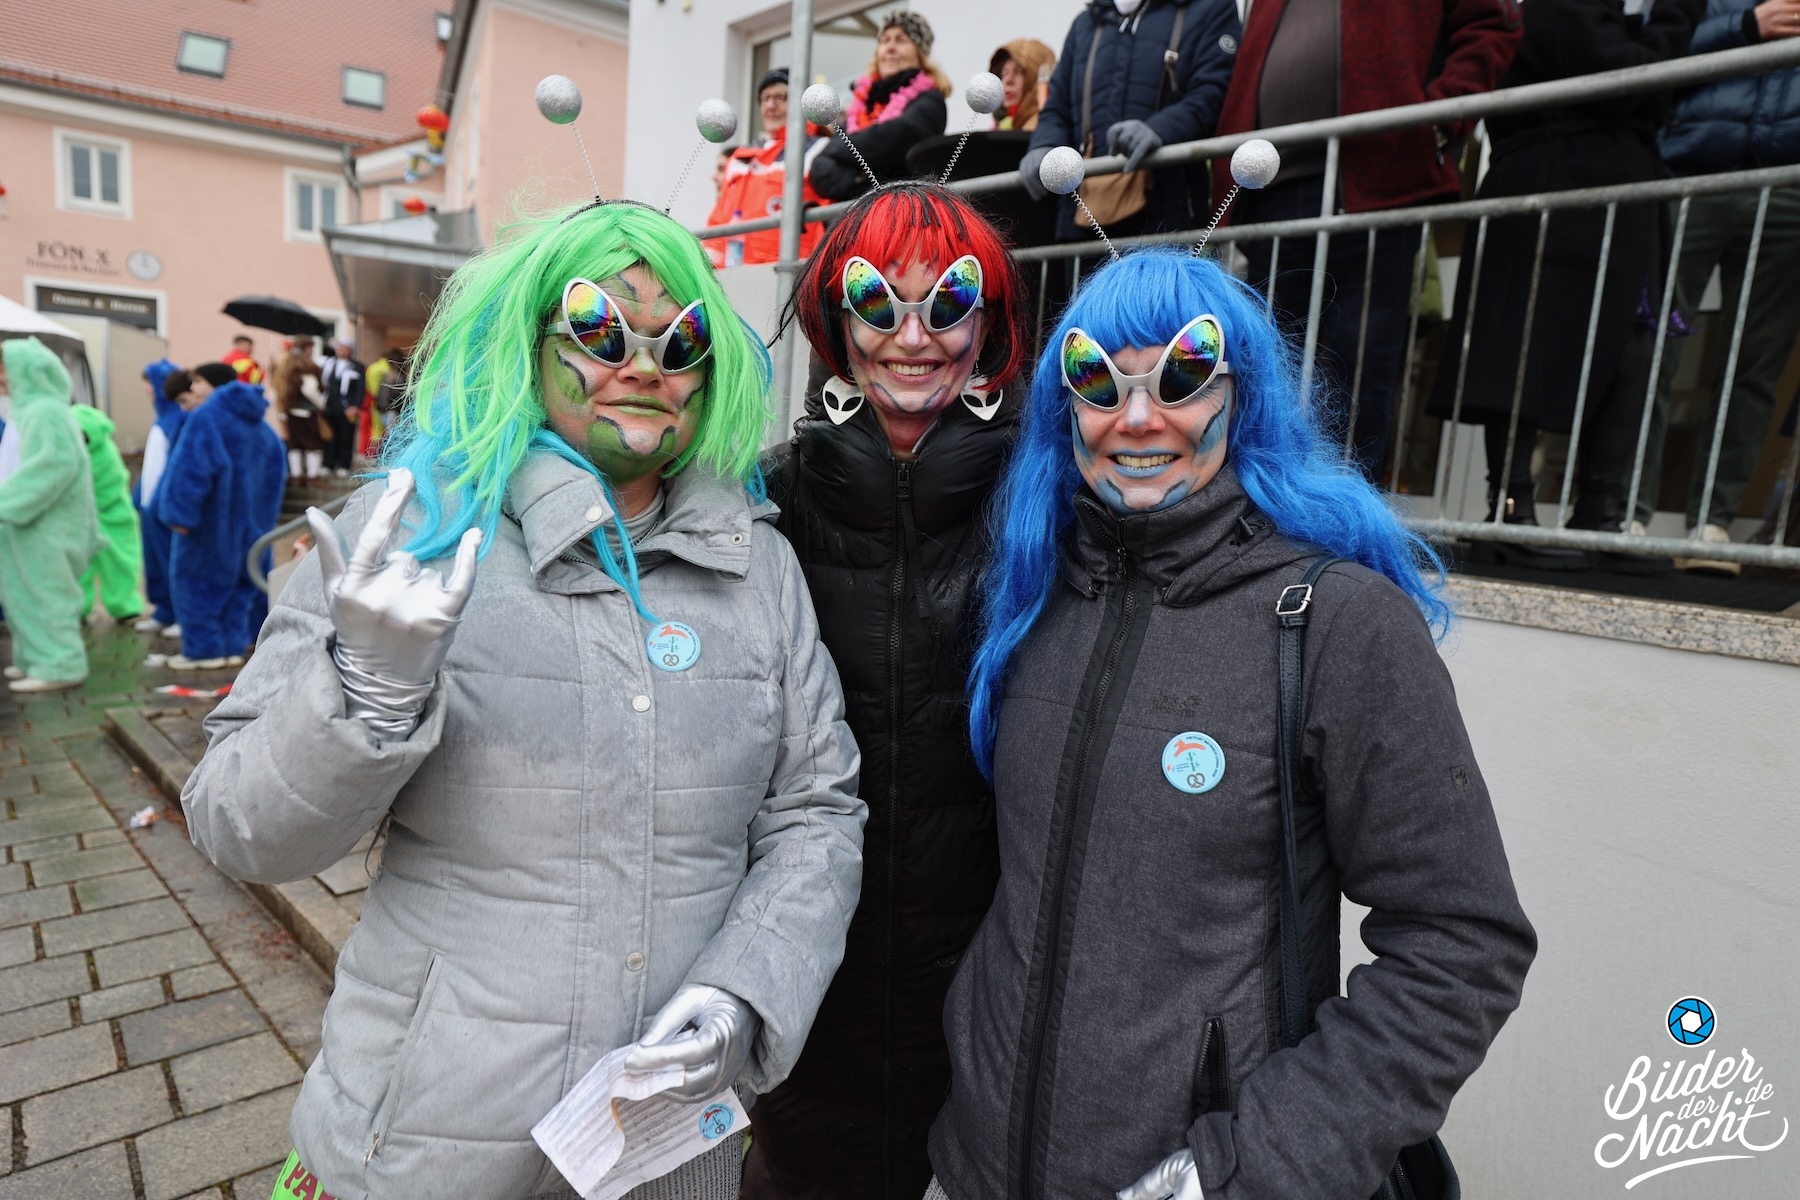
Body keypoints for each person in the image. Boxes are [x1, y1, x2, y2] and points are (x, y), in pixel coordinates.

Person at [180, 198, 864, 1200]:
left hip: (665, 1151)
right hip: (427, 1143)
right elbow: (238, 830)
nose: (644, 365)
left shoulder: (759, 566)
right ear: (526, 343)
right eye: (599, 328)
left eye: (680, 341)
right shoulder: (408, 533)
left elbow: (816, 811)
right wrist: (364, 699)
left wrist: (746, 990)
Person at [927, 251, 1536, 1200]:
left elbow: (1461, 944)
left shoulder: (1337, 622)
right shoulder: (1032, 601)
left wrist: (1254, 1167)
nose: (1137, 418)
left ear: (1240, 397)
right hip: (971, 1173)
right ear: (1064, 410)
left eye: (1182, 376)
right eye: (1097, 381)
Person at [743, 182, 1031, 1200]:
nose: (913, 336)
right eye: (877, 299)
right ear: (837, 319)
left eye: (948, 302)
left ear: (988, 325)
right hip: (809, 983)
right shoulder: (763, 501)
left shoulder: (1052, 505)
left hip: (990, 998)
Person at [1428, 0, 1703, 567]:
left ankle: (1599, 513)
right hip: (1552, 178)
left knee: (1630, 343)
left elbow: (1642, 87)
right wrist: (1677, 16)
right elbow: (1627, 81)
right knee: (1527, 341)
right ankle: (1511, 509)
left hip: (1615, 186)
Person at [1216, 0, 1522, 481]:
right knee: (1262, 365)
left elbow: (1493, 23)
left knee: (1358, 364)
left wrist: (1442, 116)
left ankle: (1347, 514)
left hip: (1376, 180)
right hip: (1275, 190)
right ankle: (1264, 505)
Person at [1635, 0, 1800, 573]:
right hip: (1692, 171)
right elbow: (1655, 48)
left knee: (1754, 364)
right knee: (1653, 344)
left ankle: (1713, 523)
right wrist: (1745, 26)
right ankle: (1626, 511)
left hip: (1788, 186)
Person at [1020, 0, 1242, 247]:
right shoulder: (1086, 23)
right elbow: (1057, 106)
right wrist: (1044, 144)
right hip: (1085, 222)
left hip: (1169, 216)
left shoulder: (1209, 7)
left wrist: (1159, 130)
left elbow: (1214, 91)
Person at [157, 375, 288, 670]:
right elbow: (276, 478)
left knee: (196, 585)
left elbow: (190, 468)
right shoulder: (264, 430)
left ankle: (204, 650)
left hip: (209, 525)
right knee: (241, 590)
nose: (194, 387)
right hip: (253, 529)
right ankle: (232, 646)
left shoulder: (207, 419)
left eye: (198, 382)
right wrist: (264, 520)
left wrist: (178, 514)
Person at [0, 337, 99, 693]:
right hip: (26, 523)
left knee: (48, 596)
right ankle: (35, 658)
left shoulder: (46, 411)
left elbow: (52, 466)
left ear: (27, 371)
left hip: (48, 525)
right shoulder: (28, 410)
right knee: (22, 594)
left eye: (5, 369)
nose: (2, 378)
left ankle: (61, 664)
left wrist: (5, 502)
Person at [810, 13, 952, 202]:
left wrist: (839, 153)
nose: (890, 47)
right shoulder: (860, 108)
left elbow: (894, 139)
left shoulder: (930, 101)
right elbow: (819, 170)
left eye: (901, 40)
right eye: (885, 40)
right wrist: (861, 184)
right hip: (861, 215)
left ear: (920, 53)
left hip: (904, 210)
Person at [704, 67, 828, 267]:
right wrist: (708, 269)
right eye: (765, 98)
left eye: (780, 97)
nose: (771, 105)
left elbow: (828, 221)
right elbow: (719, 221)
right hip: (735, 274)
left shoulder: (818, 150)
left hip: (790, 273)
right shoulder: (738, 158)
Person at [72, 402, 144, 625]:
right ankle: (78, 607)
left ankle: (125, 607)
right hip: (80, 516)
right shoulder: (73, 452)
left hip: (111, 514)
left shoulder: (104, 452)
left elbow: (111, 485)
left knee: (119, 562)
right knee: (77, 565)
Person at [135, 358, 184, 634]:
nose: (146, 389)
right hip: (150, 508)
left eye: (150, 383)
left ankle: (180, 615)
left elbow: (174, 466)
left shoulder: (177, 419)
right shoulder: (163, 419)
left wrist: (162, 503)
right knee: (155, 561)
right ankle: (163, 611)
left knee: (170, 561)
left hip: (162, 507)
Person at [272, 337, 327, 481]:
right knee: (314, 444)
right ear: (306, 348)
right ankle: (313, 477)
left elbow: (276, 389)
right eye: (310, 347)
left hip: (289, 410)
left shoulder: (284, 363)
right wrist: (321, 404)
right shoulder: (304, 364)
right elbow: (310, 389)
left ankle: (297, 476)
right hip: (306, 411)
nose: (312, 351)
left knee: (294, 444)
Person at [989, 39, 1057, 132]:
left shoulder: (1044, 128)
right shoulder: (997, 130)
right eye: (1004, 73)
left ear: (1036, 79)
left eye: (1019, 71)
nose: (1008, 80)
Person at [320, 337, 365, 475]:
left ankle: (344, 464)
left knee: (346, 436)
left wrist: (355, 406)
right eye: (339, 348)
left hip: (347, 407)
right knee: (329, 435)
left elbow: (360, 389)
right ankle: (328, 463)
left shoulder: (357, 367)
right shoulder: (329, 364)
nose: (341, 351)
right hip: (330, 406)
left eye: (345, 348)